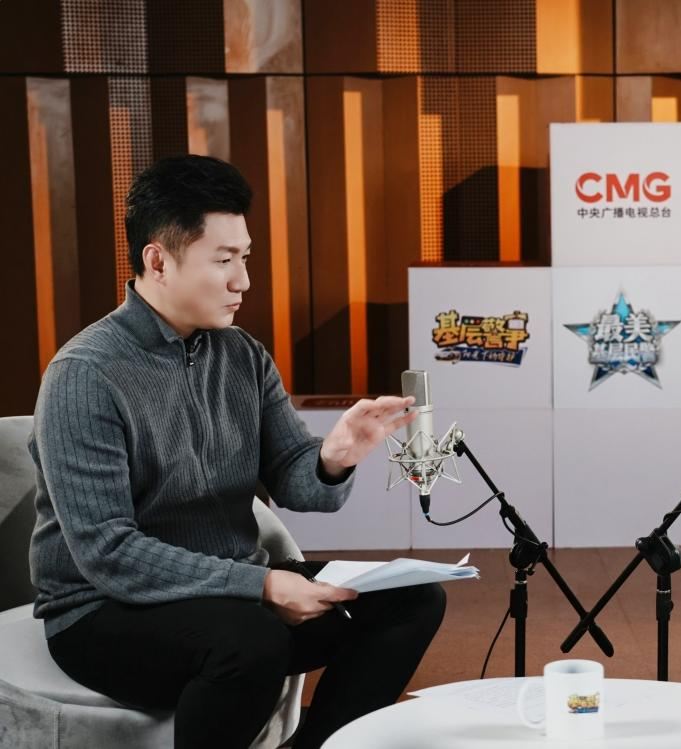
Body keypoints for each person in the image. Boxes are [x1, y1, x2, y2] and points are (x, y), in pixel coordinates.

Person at [29, 154, 446, 748]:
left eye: (244, 258)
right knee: (253, 641)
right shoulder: (84, 374)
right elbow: (109, 553)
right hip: (104, 611)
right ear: (158, 261)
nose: (243, 281)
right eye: (223, 260)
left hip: (231, 589)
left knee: (412, 599)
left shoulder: (242, 354)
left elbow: (298, 484)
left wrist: (335, 456)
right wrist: (263, 586)